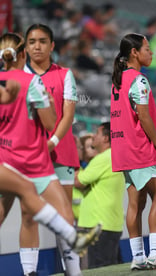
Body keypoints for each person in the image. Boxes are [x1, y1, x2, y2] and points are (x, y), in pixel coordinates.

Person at [0, 33, 101, 275]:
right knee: (51, 208)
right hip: (29, 159)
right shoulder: (31, 83)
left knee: (25, 210)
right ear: (23, 54)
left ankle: (71, 267)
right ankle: (70, 243)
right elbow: (50, 122)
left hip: (13, 158)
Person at [110, 33, 156, 270]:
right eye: (148, 49)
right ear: (135, 53)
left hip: (122, 150)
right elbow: (143, 115)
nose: (151, 53)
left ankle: (138, 258)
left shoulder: (118, 79)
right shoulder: (139, 80)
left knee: (136, 203)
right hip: (140, 149)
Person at [23, 24, 82, 275]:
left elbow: (68, 115)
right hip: (27, 154)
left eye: (43, 41)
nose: (37, 46)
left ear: (52, 46)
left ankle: (73, 271)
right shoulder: (16, 77)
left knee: (64, 214)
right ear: (25, 46)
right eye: (33, 41)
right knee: (28, 212)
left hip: (60, 151)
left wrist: (53, 142)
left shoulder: (65, 74)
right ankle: (29, 271)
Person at [75, 122, 125, 269]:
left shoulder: (103, 158)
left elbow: (78, 181)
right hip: (108, 223)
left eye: (96, 133)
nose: (93, 136)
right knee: (108, 267)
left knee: (99, 269)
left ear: (105, 138)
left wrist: (72, 166)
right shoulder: (111, 156)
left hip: (98, 225)